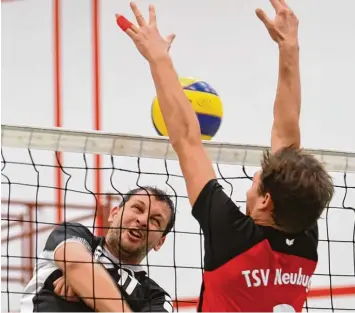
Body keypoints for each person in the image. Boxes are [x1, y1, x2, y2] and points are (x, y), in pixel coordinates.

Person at [116, 0, 334, 312]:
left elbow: (187, 137)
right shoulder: (303, 237)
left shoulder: (233, 237)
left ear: (265, 201)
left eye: (256, 180)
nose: (252, 179)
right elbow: (286, 135)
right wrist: (289, 48)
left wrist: (158, 58)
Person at [20, 186, 175, 312]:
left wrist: (85, 283)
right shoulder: (72, 233)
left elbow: (79, 270)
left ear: (160, 242)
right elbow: (77, 265)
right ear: (114, 214)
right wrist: (82, 276)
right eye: (137, 208)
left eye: (155, 220)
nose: (142, 221)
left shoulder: (157, 297)